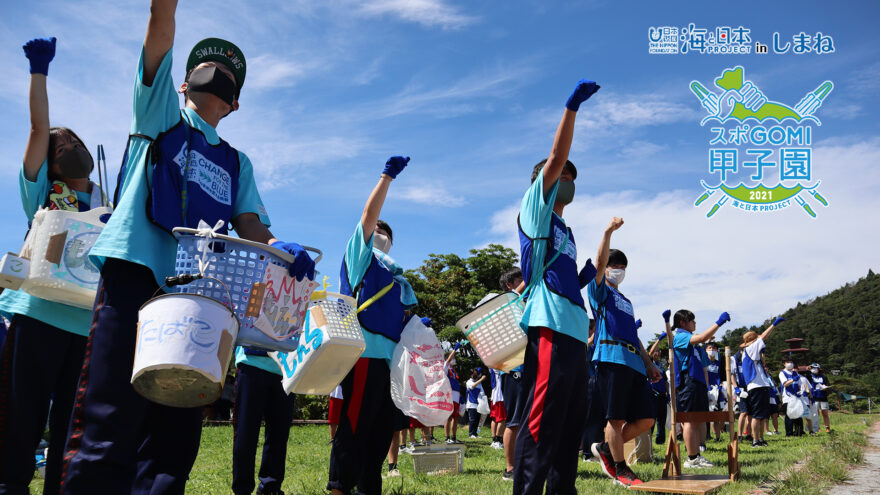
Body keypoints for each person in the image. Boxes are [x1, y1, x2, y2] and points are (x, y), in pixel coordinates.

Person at [60, 3, 315, 493]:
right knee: (109, 418)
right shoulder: (158, 116)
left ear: (235, 103)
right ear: (183, 82)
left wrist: (278, 246)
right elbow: (158, 34)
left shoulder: (237, 162)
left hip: (201, 299)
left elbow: (250, 223)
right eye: (206, 64)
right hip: (137, 273)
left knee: (173, 435)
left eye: (227, 73)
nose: (216, 72)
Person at [0, 36, 108, 495]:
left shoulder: (106, 204)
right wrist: (38, 71)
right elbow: (38, 126)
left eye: (73, 139)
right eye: (57, 143)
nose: (66, 143)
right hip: (36, 313)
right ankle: (10, 485)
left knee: (70, 419)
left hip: (83, 327)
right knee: (21, 411)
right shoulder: (41, 193)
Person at [513, 79, 600, 494]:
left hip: (574, 330)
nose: (568, 177)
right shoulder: (534, 209)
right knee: (542, 420)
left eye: (571, 176)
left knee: (569, 423)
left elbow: (575, 275)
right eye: (563, 174)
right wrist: (572, 109)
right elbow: (554, 156)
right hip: (548, 324)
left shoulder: (565, 229)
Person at [329, 155, 417, 494]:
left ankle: (368, 487)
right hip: (364, 355)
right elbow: (368, 217)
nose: (380, 233)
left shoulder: (398, 279)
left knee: (381, 432)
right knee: (354, 427)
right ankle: (340, 486)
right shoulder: (360, 256)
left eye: (385, 233)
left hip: (390, 363)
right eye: (378, 229)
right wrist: (386, 178)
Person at [589, 238, 663, 487]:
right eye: (615, 265)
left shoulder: (627, 302)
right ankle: (621, 468)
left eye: (623, 266)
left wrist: (649, 364)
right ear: (607, 267)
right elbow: (598, 265)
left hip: (634, 362)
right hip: (611, 357)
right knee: (616, 418)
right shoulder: (599, 290)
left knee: (646, 419)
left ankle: (606, 448)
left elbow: (635, 335)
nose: (619, 270)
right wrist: (608, 232)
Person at [670, 310, 730, 468]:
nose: (695, 323)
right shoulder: (681, 336)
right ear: (683, 323)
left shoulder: (695, 346)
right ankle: (691, 458)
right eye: (692, 320)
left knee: (697, 420)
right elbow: (703, 337)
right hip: (688, 383)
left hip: (698, 384)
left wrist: (707, 385)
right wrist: (719, 322)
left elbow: (704, 365)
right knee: (690, 420)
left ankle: (696, 454)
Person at [231, 347, 296, 495]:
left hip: (286, 367)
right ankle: (242, 489)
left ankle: (270, 488)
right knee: (246, 432)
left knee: (279, 434)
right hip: (252, 362)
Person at [739, 317, 784, 448]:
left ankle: (761, 439)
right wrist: (774, 325)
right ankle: (755, 440)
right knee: (757, 415)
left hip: (762, 385)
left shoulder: (754, 353)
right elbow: (763, 336)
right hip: (756, 386)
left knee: (763, 415)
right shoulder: (750, 348)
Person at [498, 268, 524, 481]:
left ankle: (524, 463)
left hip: (528, 370)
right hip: (513, 370)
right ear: (509, 284)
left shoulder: (522, 304)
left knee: (527, 420)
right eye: (520, 279)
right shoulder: (506, 303)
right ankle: (509, 469)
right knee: (514, 421)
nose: (525, 282)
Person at [705, 341, 726, 442]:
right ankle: (706, 435)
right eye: (709, 348)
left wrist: (721, 386)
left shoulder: (719, 363)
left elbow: (723, 377)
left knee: (717, 415)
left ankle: (718, 437)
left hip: (717, 392)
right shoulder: (703, 362)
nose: (712, 350)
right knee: (706, 415)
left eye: (714, 349)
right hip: (707, 391)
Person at [778, 358, 804, 436]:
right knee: (789, 415)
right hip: (788, 396)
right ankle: (789, 433)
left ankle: (799, 432)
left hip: (796, 396)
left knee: (798, 414)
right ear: (784, 364)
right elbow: (785, 384)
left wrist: (801, 391)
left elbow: (800, 384)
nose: (790, 364)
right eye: (788, 362)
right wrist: (793, 379)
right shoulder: (782, 373)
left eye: (791, 362)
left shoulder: (795, 373)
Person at [807, 363, 832, 433]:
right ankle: (817, 427)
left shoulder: (823, 377)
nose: (813, 369)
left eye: (815, 368)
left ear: (819, 369)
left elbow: (828, 385)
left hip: (823, 396)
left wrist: (825, 388)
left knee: (825, 413)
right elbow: (806, 381)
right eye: (812, 368)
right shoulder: (809, 376)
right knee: (816, 413)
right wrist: (808, 370)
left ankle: (827, 427)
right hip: (814, 397)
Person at [465, 369, 487, 439]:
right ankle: (471, 433)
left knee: (477, 419)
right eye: (474, 374)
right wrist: (481, 379)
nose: (475, 375)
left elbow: (482, 392)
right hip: (471, 404)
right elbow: (472, 386)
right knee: (472, 419)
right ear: (471, 375)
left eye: (476, 373)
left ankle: (475, 433)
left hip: (479, 404)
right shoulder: (469, 382)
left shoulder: (479, 383)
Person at [489, 368, 506, 449]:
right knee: (502, 419)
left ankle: (494, 440)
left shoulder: (492, 364)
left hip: (495, 396)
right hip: (500, 396)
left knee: (494, 419)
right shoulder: (498, 365)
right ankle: (498, 440)